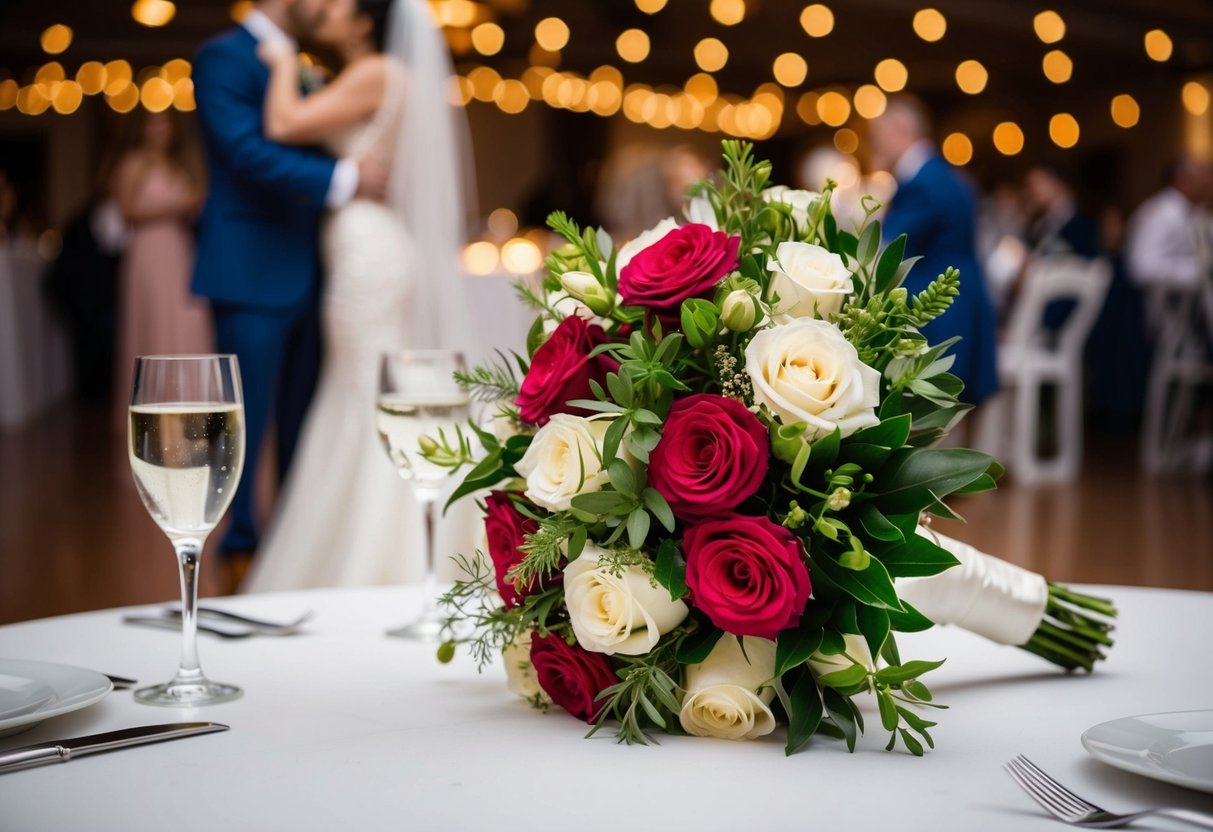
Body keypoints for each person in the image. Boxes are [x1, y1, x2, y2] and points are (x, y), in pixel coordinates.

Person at [241, 0, 478, 591]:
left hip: (367, 252)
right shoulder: (376, 77)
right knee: (363, 391)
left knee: (364, 396)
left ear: (366, 20)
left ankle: (378, 554)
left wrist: (279, 63)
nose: (324, 6)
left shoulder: (375, 73)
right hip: (372, 244)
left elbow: (282, 125)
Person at [192, 0, 390, 585]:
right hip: (250, 270)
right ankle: (239, 551)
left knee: (307, 425)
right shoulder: (222, 56)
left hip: (322, 272)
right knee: (242, 426)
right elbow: (245, 151)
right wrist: (344, 178)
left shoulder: (307, 64)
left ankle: (291, 549)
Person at [867, 95, 999, 405]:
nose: (874, 146)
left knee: (931, 406)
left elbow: (888, 248)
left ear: (901, 129)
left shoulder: (921, 183)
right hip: (967, 294)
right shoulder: (949, 175)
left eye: (877, 136)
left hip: (940, 304)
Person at [111, 110, 213, 430]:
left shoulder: (179, 165)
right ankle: (153, 417)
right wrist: (178, 205)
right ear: (141, 128)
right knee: (153, 325)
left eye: (164, 122)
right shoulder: (132, 163)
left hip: (179, 251)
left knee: (188, 322)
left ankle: (191, 415)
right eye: (152, 122)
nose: (159, 129)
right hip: (148, 253)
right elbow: (126, 212)